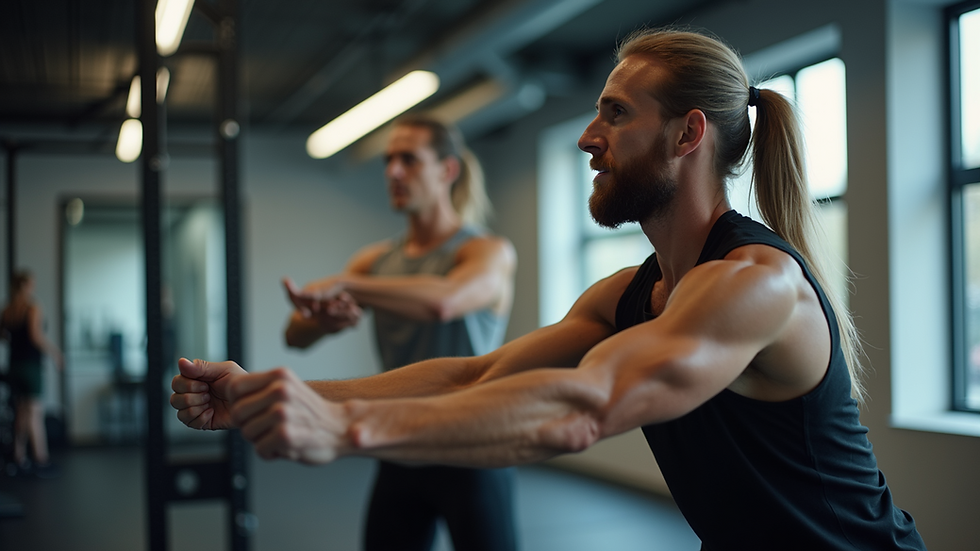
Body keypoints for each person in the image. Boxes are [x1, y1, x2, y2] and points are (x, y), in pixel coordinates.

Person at [172, 28, 926, 550]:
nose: (586, 136)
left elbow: (584, 407)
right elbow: (475, 372)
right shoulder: (628, 293)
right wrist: (274, 391)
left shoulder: (755, 283)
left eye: (616, 113)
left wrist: (344, 431)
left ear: (688, 134)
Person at [280, 115, 519, 551]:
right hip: (398, 444)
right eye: (389, 160)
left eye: (408, 159)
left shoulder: (486, 251)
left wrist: (349, 285)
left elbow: (444, 300)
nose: (392, 171)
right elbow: (294, 336)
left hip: (473, 448)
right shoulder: (374, 262)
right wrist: (322, 321)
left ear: (448, 170)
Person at [1, 270, 63, 478]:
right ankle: (40, 459)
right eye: (31, 284)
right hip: (30, 366)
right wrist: (55, 353)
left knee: (21, 411)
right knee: (35, 413)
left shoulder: (8, 309)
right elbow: (36, 337)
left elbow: (3, 336)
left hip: (14, 366)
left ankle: (19, 457)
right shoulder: (32, 307)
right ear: (25, 286)